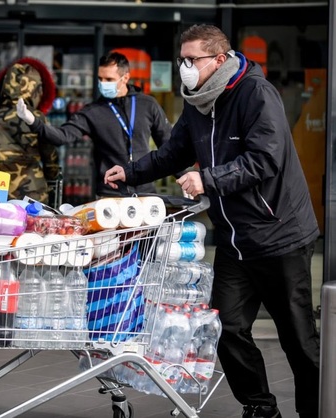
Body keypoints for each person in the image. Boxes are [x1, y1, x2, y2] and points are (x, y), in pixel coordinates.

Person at [104, 24, 319, 418]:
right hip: (236, 242)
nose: (185, 67)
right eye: (182, 59)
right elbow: (173, 152)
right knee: (226, 330)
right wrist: (131, 172)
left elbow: (264, 159)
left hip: (280, 235)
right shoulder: (198, 101)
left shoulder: (255, 94)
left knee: (299, 339)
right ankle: (260, 407)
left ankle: (317, 409)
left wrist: (207, 178)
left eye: (192, 60)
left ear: (219, 60)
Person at [17, 51, 173, 197]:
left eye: (109, 79)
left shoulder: (147, 104)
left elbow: (168, 144)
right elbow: (61, 136)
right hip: (110, 192)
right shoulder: (92, 112)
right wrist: (32, 121)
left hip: (145, 191)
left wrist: (183, 175)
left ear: (125, 78)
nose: (103, 83)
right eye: (100, 79)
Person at [0, 57, 60, 204]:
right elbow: (50, 157)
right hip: (33, 191)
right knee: (34, 226)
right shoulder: (36, 118)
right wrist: (53, 177)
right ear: (34, 89)